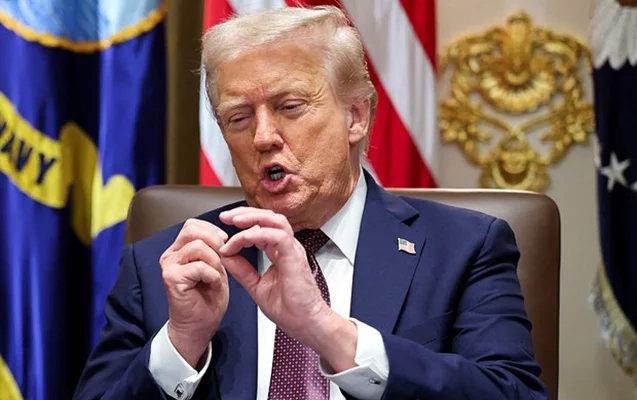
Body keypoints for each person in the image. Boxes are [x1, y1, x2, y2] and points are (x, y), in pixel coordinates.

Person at [73, 6, 548, 400]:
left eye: (290, 107)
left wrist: (326, 330)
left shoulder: (463, 248)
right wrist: (180, 345)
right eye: (239, 118)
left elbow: (514, 394)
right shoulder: (165, 266)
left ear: (355, 116)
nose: (263, 137)